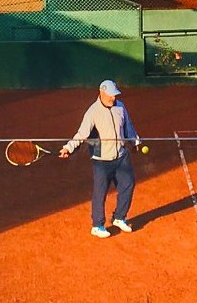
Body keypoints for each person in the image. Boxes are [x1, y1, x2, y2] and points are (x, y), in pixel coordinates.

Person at [59, 79, 142, 238]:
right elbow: (82, 133)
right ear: (101, 93)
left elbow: (128, 127)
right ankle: (97, 225)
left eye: (114, 95)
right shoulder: (93, 112)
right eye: (110, 95)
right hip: (102, 160)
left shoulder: (120, 106)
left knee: (128, 184)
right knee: (100, 192)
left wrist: (135, 142)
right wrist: (68, 147)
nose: (113, 98)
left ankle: (119, 217)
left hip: (121, 156)